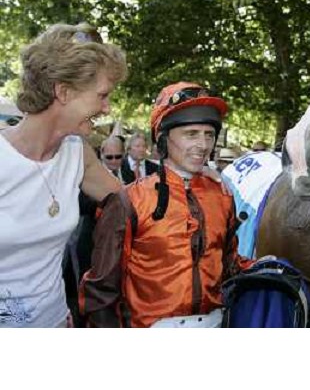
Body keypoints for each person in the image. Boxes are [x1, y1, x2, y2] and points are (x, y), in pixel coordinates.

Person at [79, 81, 255, 327]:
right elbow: (101, 291)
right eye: (191, 134)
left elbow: (229, 265)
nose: (203, 145)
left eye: (209, 134)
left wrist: (267, 266)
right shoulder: (129, 201)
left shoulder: (222, 195)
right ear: (162, 139)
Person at [0, 23, 128, 328]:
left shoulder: (77, 151)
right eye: (102, 95)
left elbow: (130, 201)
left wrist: (186, 184)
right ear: (64, 91)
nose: (107, 108)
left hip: (57, 321)